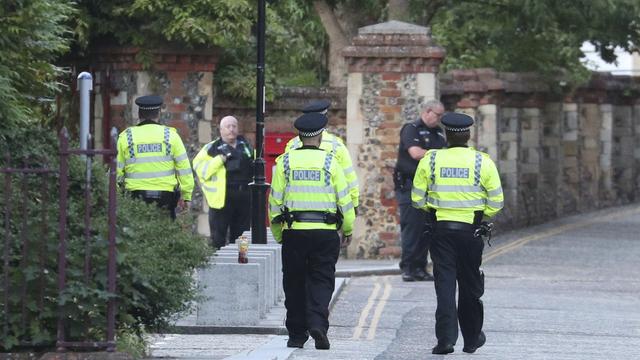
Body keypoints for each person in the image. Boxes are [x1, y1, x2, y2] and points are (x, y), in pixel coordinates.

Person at [411, 112, 504, 355]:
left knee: (444, 285)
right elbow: (497, 201)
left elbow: (417, 199)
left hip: (441, 231)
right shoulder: (482, 162)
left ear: (446, 135)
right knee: (471, 285)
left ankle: (445, 340)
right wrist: (483, 218)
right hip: (471, 232)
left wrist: (434, 210)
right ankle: (472, 339)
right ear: (468, 135)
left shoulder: (430, 160)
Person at [269, 112, 356, 350]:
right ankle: (318, 323)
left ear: (299, 137)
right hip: (325, 232)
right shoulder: (331, 162)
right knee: (322, 280)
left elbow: (275, 202)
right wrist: (348, 229)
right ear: (319, 136)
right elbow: (345, 201)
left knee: (294, 282)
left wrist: (278, 232)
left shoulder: (284, 162)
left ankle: (296, 334)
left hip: (294, 231)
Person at [116, 95, 194, 219]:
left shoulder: (126, 137)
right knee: (165, 235)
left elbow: (116, 172)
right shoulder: (171, 136)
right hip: (165, 198)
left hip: (135, 198)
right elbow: (184, 169)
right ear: (158, 113)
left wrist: (116, 197)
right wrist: (186, 196)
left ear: (139, 114)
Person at [394, 99, 447, 282]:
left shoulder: (438, 133)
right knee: (412, 227)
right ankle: (408, 267)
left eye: (441, 116)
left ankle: (420, 267)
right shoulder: (412, 129)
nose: (439, 119)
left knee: (426, 229)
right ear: (427, 111)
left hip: (430, 188)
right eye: (437, 115)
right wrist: (440, 155)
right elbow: (415, 153)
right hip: (410, 185)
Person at [284, 100, 359, 213]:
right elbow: (350, 181)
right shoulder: (337, 146)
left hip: (294, 219)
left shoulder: (292, 145)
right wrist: (354, 206)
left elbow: (283, 181)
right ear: (325, 119)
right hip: (328, 218)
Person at [192, 116, 254, 249]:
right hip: (221, 200)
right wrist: (219, 160)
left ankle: (242, 261)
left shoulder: (246, 146)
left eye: (234, 126)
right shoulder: (212, 148)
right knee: (218, 237)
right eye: (228, 126)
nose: (231, 129)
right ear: (220, 130)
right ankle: (216, 265)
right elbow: (201, 170)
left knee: (242, 236)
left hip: (244, 198)